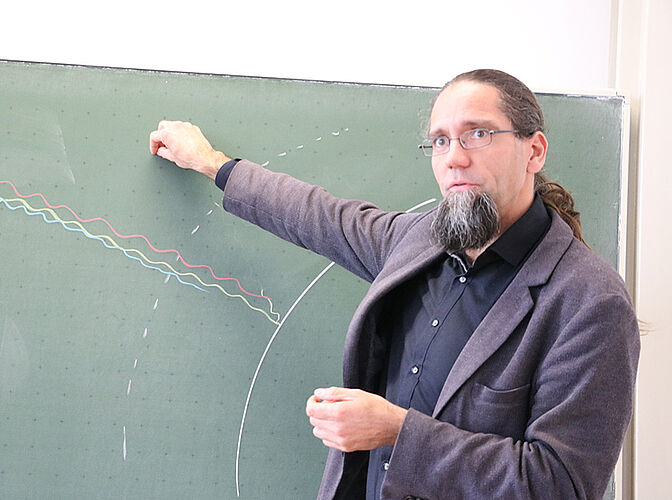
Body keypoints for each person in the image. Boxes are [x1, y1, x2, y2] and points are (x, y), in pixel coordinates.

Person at [148, 69, 640, 500]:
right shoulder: (416, 241)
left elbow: (560, 484)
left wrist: (396, 432)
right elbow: (317, 215)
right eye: (441, 140)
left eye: (476, 135)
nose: (454, 158)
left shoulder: (588, 301)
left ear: (533, 150)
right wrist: (210, 162)